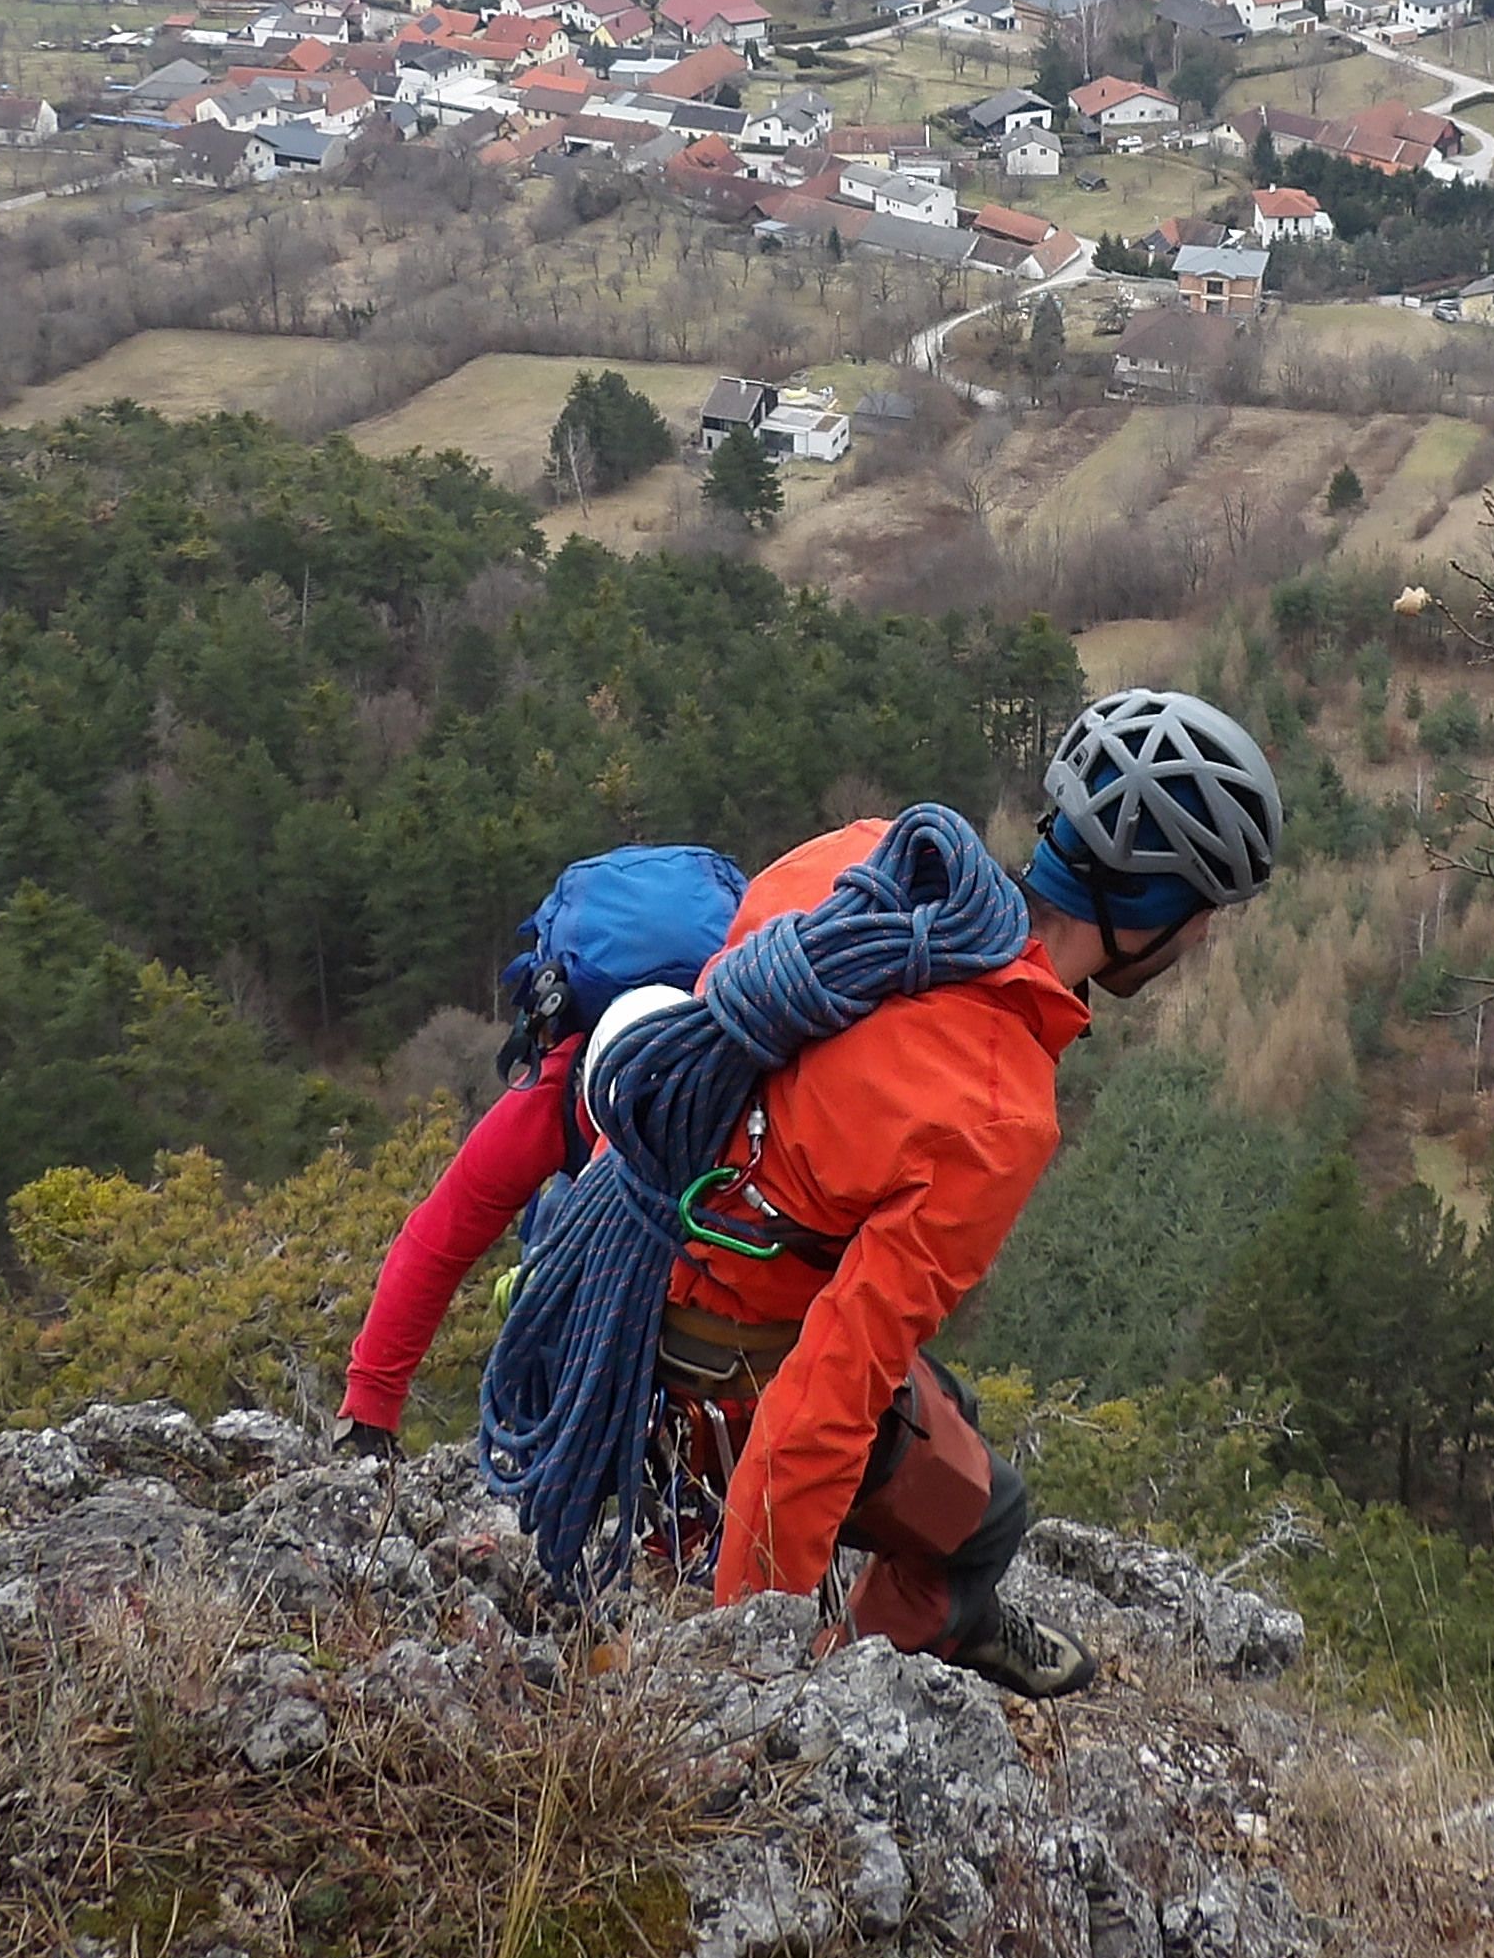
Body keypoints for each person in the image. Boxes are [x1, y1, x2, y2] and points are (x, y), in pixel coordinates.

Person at [484, 687, 1283, 1699]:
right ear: (1154, 911)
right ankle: (881, 1671)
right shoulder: (997, 1107)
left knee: (948, 1402)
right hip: (716, 1369)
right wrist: (753, 1664)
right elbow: (828, 1392)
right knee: (984, 1520)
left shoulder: (865, 858)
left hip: (608, 1270)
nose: (1203, 942)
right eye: (1203, 916)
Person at [334, 826, 882, 1459]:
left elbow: (441, 1236)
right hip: (749, 1291)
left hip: (734, 1314)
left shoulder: (565, 1095)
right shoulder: (750, 1079)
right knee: (569, 1241)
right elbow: (442, 1236)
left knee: (567, 1251)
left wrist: (370, 1406)